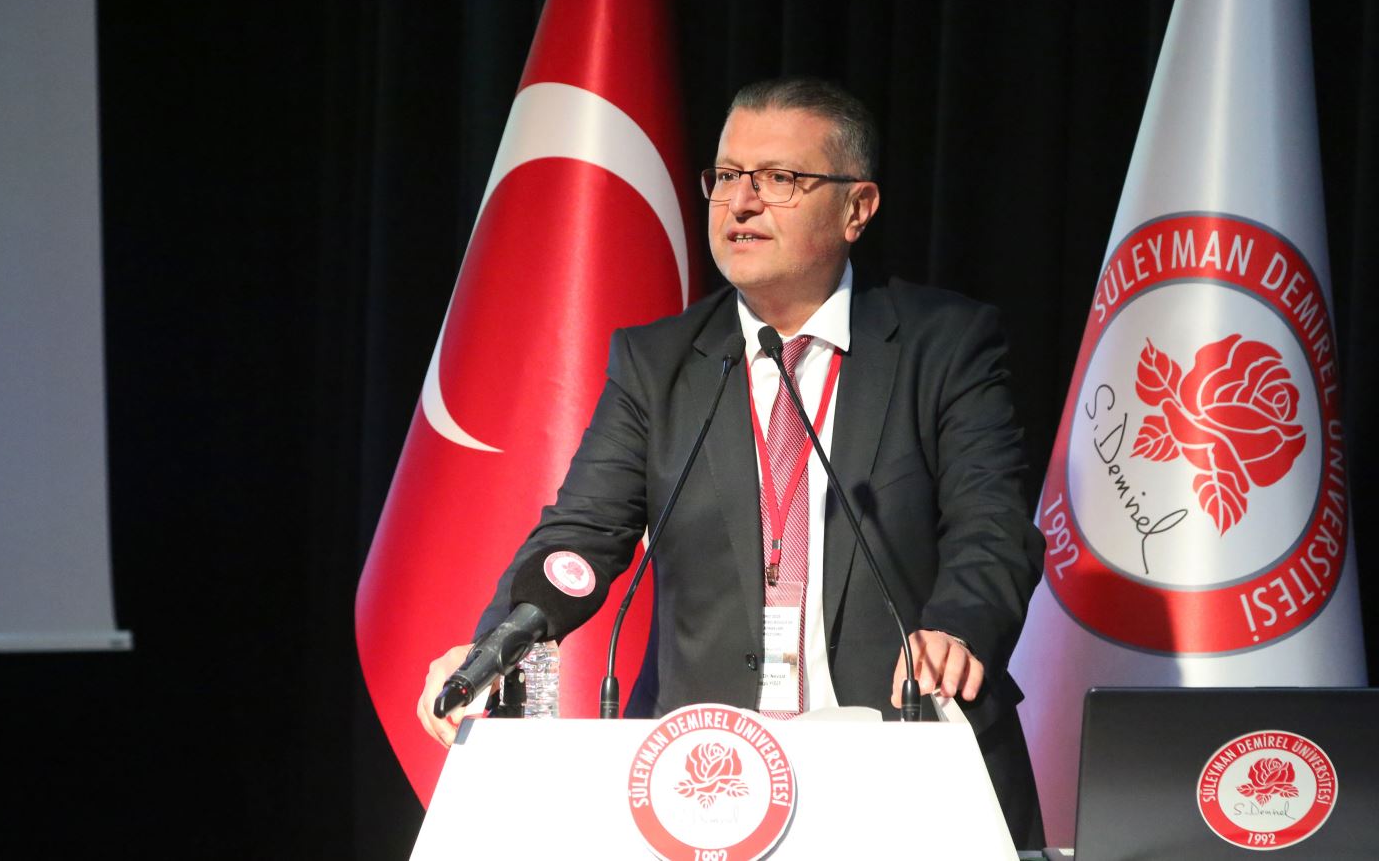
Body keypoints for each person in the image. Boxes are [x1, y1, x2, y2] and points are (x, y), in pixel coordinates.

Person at [416, 76, 1044, 846]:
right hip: (708, 783)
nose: (741, 203)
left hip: (901, 767)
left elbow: (993, 527)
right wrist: (495, 646)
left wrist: (956, 630)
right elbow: (581, 537)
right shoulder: (658, 363)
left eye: (780, 178)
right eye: (727, 176)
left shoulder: (943, 344)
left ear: (857, 208)